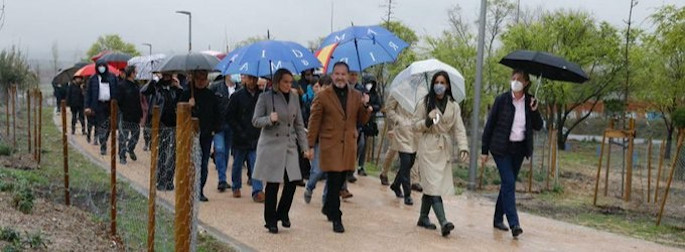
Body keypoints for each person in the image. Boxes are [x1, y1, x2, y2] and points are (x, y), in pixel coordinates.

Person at [307, 61, 372, 233]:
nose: (340, 77)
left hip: (349, 144)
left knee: (341, 178)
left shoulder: (356, 95)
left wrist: (366, 106)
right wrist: (310, 145)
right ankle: (337, 217)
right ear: (332, 75)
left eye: (343, 74)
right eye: (337, 74)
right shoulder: (323, 95)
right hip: (330, 144)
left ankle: (328, 206)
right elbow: (314, 121)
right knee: (335, 181)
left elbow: (362, 120)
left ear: (348, 76)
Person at [481, 69, 543, 238]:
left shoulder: (530, 101)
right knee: (509, 182)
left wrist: (535, 110)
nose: (515, 81)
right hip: (500, 148)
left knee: (507, 184)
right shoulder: (502, 100)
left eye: (519, 79)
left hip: (519, 150)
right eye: (513, 78)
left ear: (526, 83)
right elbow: (490, 126)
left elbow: (538, 126)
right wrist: (484, 150)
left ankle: (497, 218)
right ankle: (514, 223)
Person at [252, 69, 311, 234]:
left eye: (291, 82)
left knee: (293, 180)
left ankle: (282, 213)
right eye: (285, 82)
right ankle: (270, 221)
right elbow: (255, 120)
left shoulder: (294, 97)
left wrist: (305, 147)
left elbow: (299, 124)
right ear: (277, 82)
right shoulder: (265, 98)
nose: (288, 85)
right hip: (271, 144)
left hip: (289, 144)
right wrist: (269, 119)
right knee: (272, 184)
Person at [412, 71, 469, 237]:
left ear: (448, 85)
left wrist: (463, 146)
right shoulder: (425, 102)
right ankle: (443, 222)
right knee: (433, 186)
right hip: (428, 148)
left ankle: (423, 217)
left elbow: (459, 128)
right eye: (436, 82)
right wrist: (427, 121)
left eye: (442, 82)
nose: (439, 85)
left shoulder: (454, 105)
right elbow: (414, 125)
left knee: (431, 186)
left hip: (443, 150)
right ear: (433, 84)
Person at [181, 70, 220, 202]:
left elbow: (216, 113)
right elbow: (178, 112)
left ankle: (200, 190)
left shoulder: (211, 95)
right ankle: (189, 188)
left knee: (203, 163)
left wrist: (215, 129)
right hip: (190, 134)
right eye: (198, 78)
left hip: (206, 134)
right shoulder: (186, 94)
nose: (201, 81)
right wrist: (188, 106)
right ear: (194, 79)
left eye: (204, 78)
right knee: (191, 162)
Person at [141, 72, 183, 191]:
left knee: (173, 154)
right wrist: (154, 80)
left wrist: (179, 87)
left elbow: (182, 99)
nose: (167, 77)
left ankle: (169, 180)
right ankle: (160, 180)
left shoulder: (175, 89)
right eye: (165, 75)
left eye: (169, 75)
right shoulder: (156, 87)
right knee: (161, 153)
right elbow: (144, 91)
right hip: (160, 124)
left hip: (174, 124)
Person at [227, 74, 265, 202]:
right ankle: (236, 186)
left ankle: (257, 190)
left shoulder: (262, 95)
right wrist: (238, 130)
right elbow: (230, 116)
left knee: (256, 163)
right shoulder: (237, 96)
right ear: (245, 79)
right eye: (250, 78)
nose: (252, 81)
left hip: (255, 135)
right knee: (238, 163)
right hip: (240, 137)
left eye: (254, 78)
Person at [384, 90, 421, 205]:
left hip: (415, 132)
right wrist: (398, 120)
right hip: (402, 132)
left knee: (410, 162)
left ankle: (395, 184)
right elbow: (389, 109)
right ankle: (407, 194)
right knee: (405, 162)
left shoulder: (423, 92)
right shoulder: (398, 90)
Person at [303, 75, 332, 204]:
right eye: (325, 87)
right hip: (318, 140)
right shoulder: (317, 100)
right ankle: (310, 186)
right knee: (317, 170)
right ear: (319, 87)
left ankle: (327, 199)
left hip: (332, 140)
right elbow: (312, 123)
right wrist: (309, 144)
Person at [209, 75, 239, 192]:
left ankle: (223, 177)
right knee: (220, 150)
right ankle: (222, 179)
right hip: (218, 125)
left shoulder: (239, 89)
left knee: (226, 152)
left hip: (232, 126)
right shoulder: (216, 87)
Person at [84, 61, 119, 155]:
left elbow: (117, 91)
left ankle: (104, 139)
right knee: (101, 124)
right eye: (100, 66)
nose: (102, 68)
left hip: (110, 104)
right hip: (98, 105)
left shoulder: (112, 77)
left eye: (103, 66)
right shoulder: (93, 79)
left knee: (109, 126)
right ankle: (103, 145)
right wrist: (87, 106)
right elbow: (88, 94)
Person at [117, 66, 143, 165]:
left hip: (135, 115)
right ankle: (122, 156)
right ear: (131, 73)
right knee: (123, 136)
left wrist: (140, 113)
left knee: (136, 135)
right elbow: (118, 100)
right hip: (125, 115)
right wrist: (123, 110)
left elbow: (138, 101)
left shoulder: (136, 85)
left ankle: (130, 148)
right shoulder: (122, 86)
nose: (136, 74)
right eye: (135, 72)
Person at [356, 75, 381, 176]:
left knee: (364, 144)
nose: (370, 85)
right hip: (359, 120)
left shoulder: (375, 94)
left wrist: (371, 107)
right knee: (359, 144)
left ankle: (360, 166)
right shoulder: (360, 91)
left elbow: (379, 105)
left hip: (369, 122)